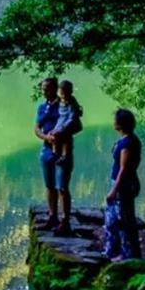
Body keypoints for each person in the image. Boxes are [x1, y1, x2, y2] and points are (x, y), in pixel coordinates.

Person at [103, 108, 142, 260]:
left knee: (121, 220)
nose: (113, 122)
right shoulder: (129, 139)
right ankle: (118, 252)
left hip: (122, 185)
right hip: (125, 183)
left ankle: (127, 255)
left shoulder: (127, 143)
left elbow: (125, 168)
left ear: (121, 123)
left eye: (115, 120)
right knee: (117, 219)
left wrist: (114, 190)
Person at [48, 80, 83, 236]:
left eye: (64, 91)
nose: (62, 94)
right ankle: (57, 154)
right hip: (61, 124)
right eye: (61, 91)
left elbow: (74, 117)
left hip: (66, 125)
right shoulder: (58, 102)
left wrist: (64, 127)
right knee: (57, 136)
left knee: (62, 187)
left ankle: (65, 221)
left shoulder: (71, 103)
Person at [33, 77, 64, 230]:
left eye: (47, 89)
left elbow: (76, 126)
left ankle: (64, 220)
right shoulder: (42, 107)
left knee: (62, 186)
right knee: (49, 185)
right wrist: (46, 137)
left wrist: (60, 136)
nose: (44, 92)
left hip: (61, 149)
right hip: (46, 148)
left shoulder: (64, 105)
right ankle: (52, 216)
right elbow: (36, 128)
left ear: (55, 89)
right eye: (43, 89)